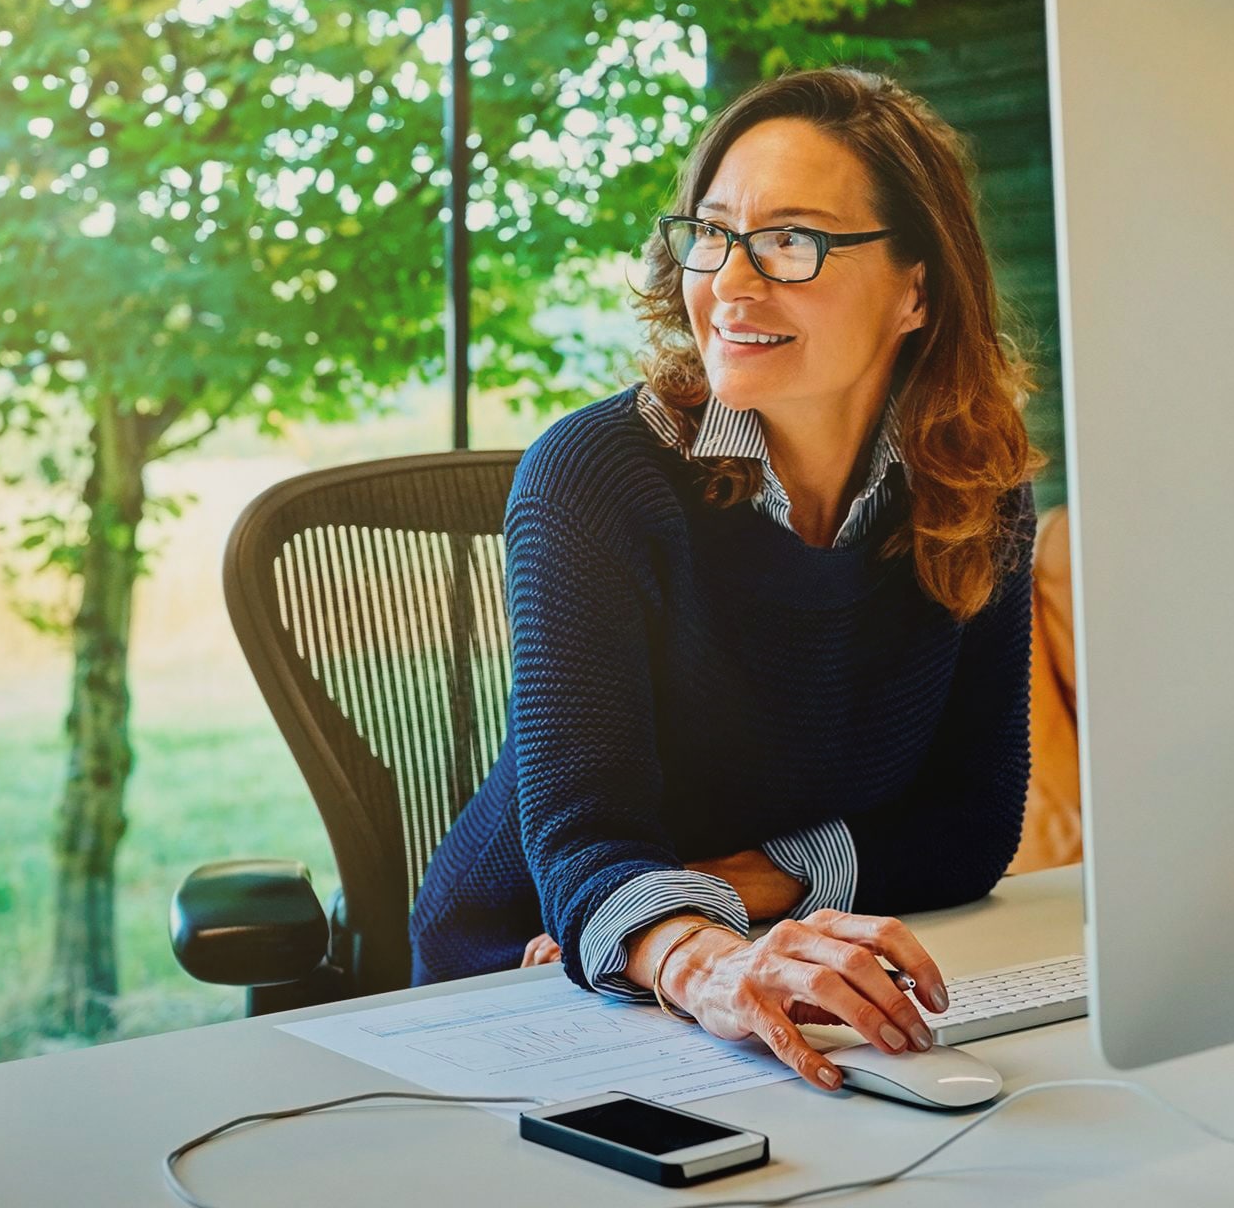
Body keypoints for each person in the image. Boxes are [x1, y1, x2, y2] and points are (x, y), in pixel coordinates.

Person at [410, 66, 1044, 1091]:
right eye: (711, 234)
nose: (732, 285)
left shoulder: (975, 489)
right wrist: (691, 947)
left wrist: (728, 890)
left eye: (792, 240)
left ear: (917, 288)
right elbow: (583, 839)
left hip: (757, 946)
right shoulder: (595, 477)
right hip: (530, 959)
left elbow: (968, 822)